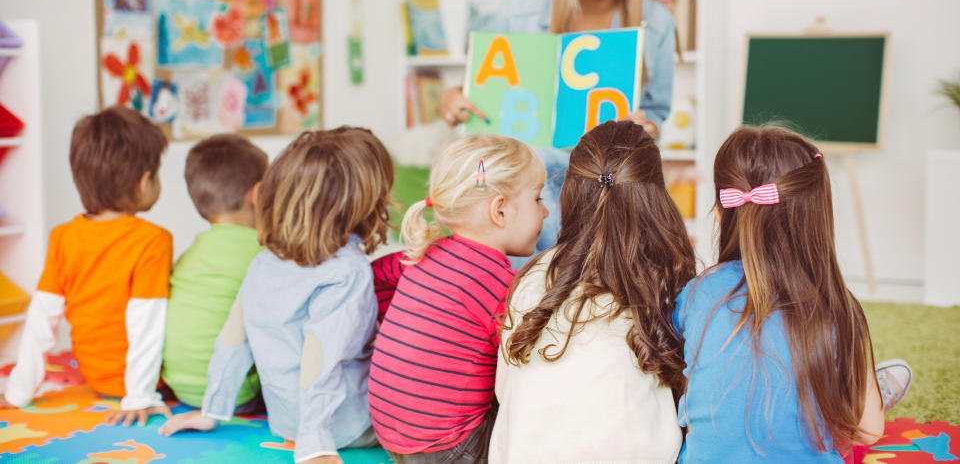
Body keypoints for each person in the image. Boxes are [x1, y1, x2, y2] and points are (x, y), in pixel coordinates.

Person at [158, 127, 395, 464]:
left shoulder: (263, 261)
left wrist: (212, 408)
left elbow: (233, 338)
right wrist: (316, 442)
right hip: (342, 428)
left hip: (284, 422)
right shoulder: (348, 271)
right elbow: (321, 357)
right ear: (364, 203)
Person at [673, 126, 885, 462]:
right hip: (840, 403)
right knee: (851, 410)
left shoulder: (698, 293)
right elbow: (870, 432)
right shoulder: (837, 308)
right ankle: (868, 388)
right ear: (818, 216)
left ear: (720, 209)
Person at [491, 120, 693, 462]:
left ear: (570, 194)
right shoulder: (668, 281)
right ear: (657, 199)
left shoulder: (532, 276)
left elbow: (504, 391)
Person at [440, 0, 677, 261]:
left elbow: (656, 113)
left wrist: (645, 127)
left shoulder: (657, 19)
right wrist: (455, 99)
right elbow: (485, 85)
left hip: (602, 184)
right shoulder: (519, 5)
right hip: (520, 186)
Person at [368, 134, 548, 463]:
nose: (547, 211)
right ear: (500, 210)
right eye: (537, 199)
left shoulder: (421, 254)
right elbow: (530, 362)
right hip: (449, 449)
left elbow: (374, 277)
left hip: (390, 433)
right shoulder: (500, 284)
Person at [1, 106, 172, 427]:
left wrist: (18, 391)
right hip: (144, 383)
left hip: (94, 377)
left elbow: (42, 318)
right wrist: (138, 396)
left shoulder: (63, 237)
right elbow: (146, 322)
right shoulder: (153, 240)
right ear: (144, 182)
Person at [161, 134, 268, 412]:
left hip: (180, 386)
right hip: (237, 395)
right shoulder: (263, 253)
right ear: (257, 194)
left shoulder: (190, 254)